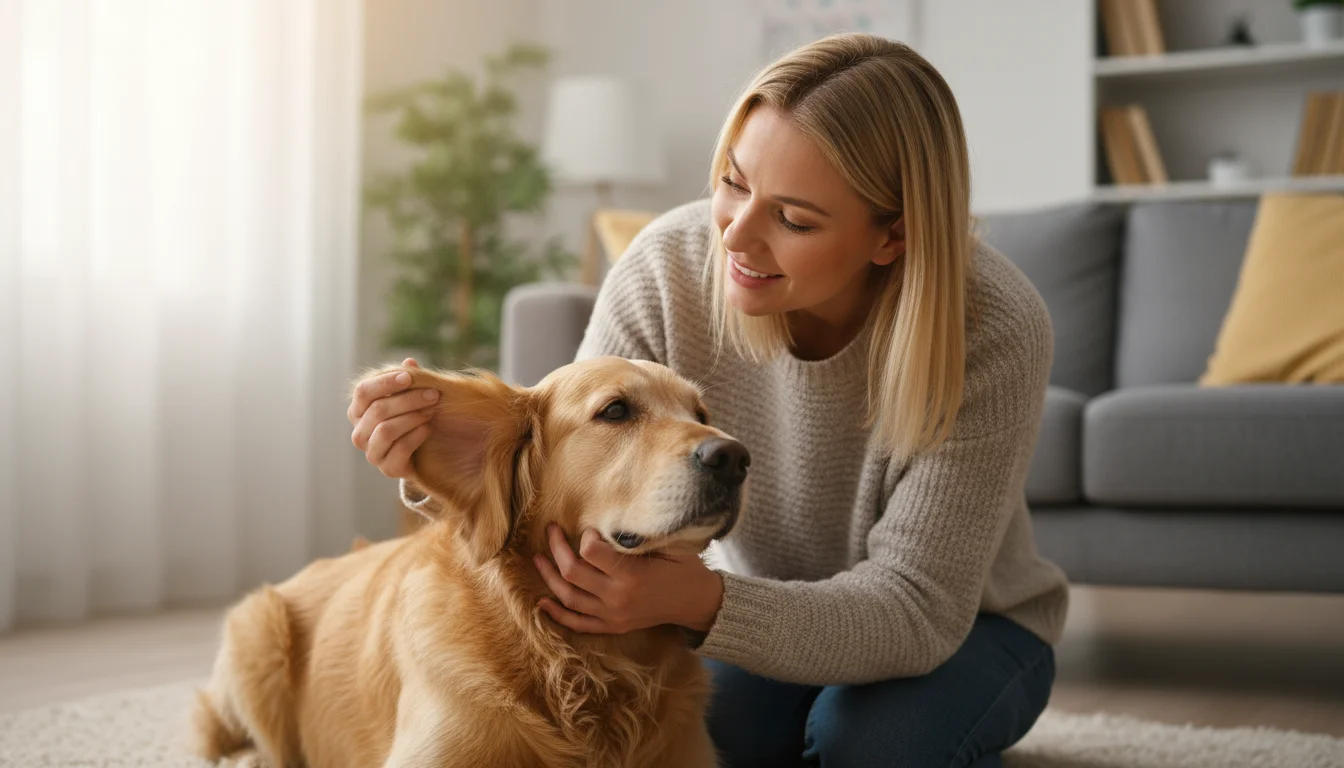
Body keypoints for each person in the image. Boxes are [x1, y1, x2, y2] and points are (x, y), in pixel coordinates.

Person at [347, 33, 1068, 768]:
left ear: (893, 236)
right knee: (685, 733)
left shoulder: (995, 326)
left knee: (868, 745)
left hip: (964, 629)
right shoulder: (666, 266)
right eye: (733, 180)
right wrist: (433, 456)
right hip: (745, 601)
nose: (736, 235)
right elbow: (574, 480)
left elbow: (915, 609)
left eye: (795, 219)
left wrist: (699, 605)